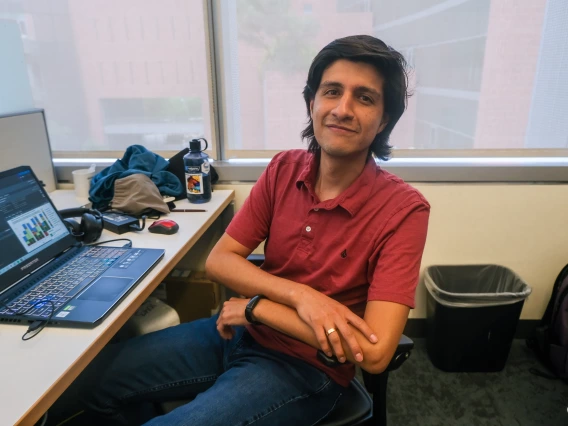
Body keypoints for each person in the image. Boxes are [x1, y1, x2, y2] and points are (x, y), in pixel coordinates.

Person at [50, 34, 430, 426]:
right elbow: (220, 260)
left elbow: (377, 352)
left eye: (364, 98)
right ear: (312, 103)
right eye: (332, 91)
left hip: (305, 368)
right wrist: (302, 298)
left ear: (384, 120)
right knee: (85, 383)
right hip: (236, 334)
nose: (343, 109)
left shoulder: (403, 210)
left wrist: (256, 307)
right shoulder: (284, 169)